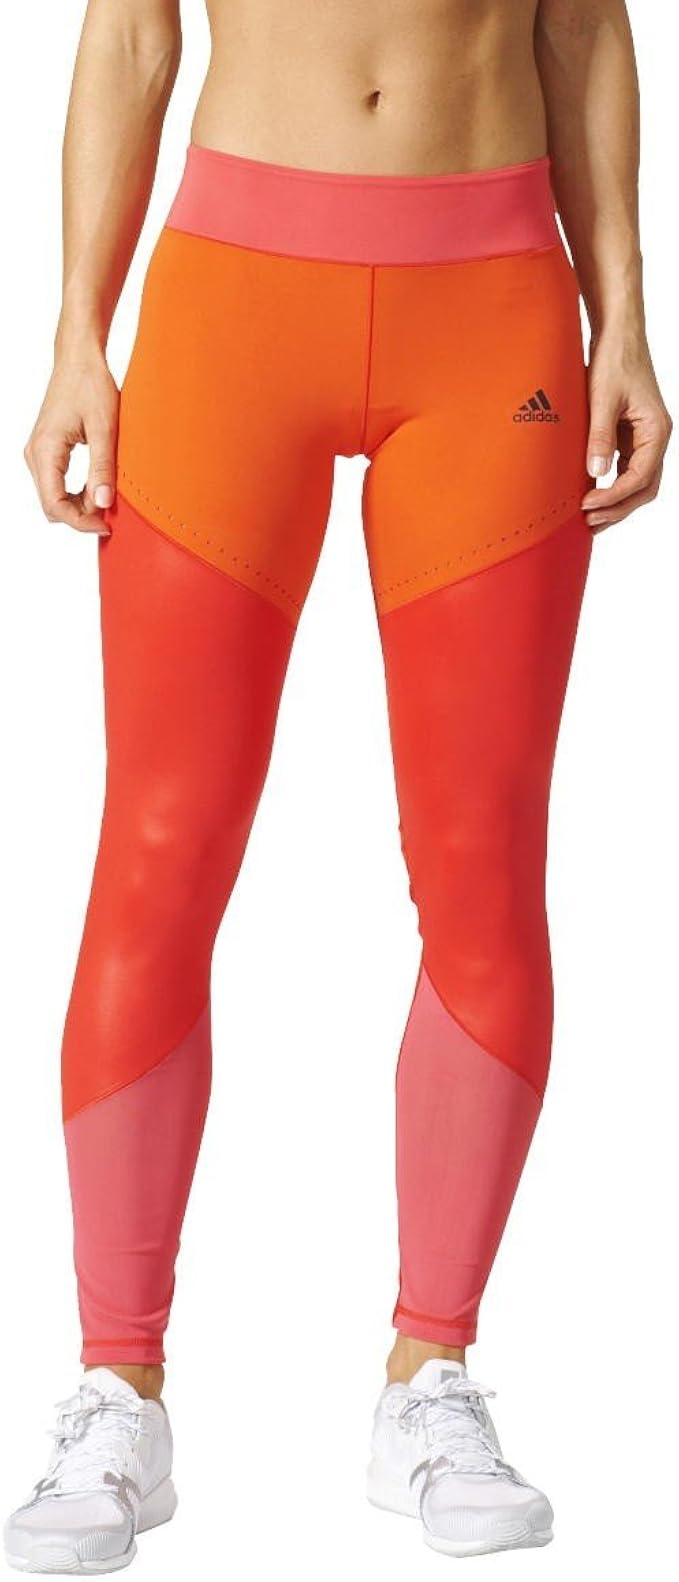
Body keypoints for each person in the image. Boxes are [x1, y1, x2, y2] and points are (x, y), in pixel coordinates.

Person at [4, 0, 671, 1570]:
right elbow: (130, 35)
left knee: (482, 856)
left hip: (492, 310)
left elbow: (582, 31)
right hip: (234, 299)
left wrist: (626, 315)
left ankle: (430, 1368)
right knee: (159, 843)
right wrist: (77, 331)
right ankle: (118, 1385)